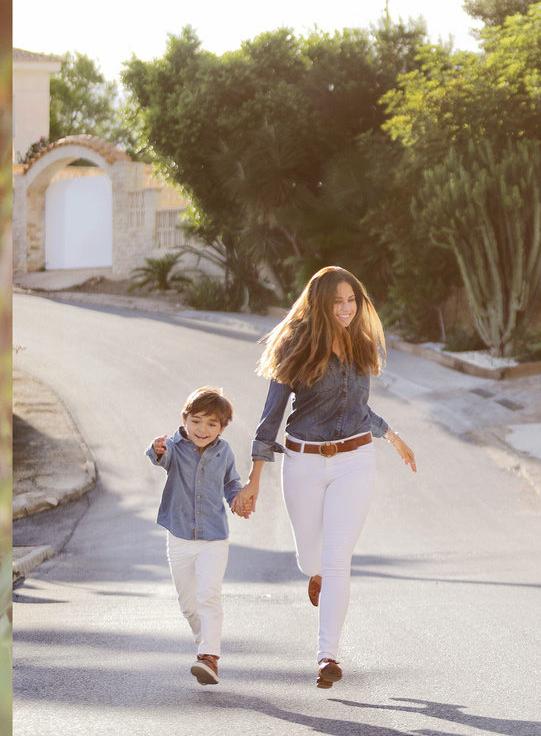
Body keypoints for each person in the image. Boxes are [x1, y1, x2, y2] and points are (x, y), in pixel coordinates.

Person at [232, 266, 419, 688]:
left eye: (351, 300)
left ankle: (327, 656)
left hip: (355, 459)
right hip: (305, 461)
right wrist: (255, 478)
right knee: (310, 559)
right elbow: (270, 419)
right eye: (337, 301)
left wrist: (391, 435)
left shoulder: (361, 345)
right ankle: (314, 575)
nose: (346, 308)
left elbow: (356, 409)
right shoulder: (295, 348)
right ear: (319, 304)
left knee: (338, 559)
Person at [145, 387, 247, 685]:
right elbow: (158, 457)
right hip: (178, 536)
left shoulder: (223, 451)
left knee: (208, 596)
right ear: (185, 419)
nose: (203, 429)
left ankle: (209, 657)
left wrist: (238, 499)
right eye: (197, 421)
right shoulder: (174, 446)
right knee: (189, 604)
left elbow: (231, 483)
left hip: (214, 537)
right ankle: (206, 644)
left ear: (222, 428)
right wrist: (157, 449)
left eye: (212, 424)